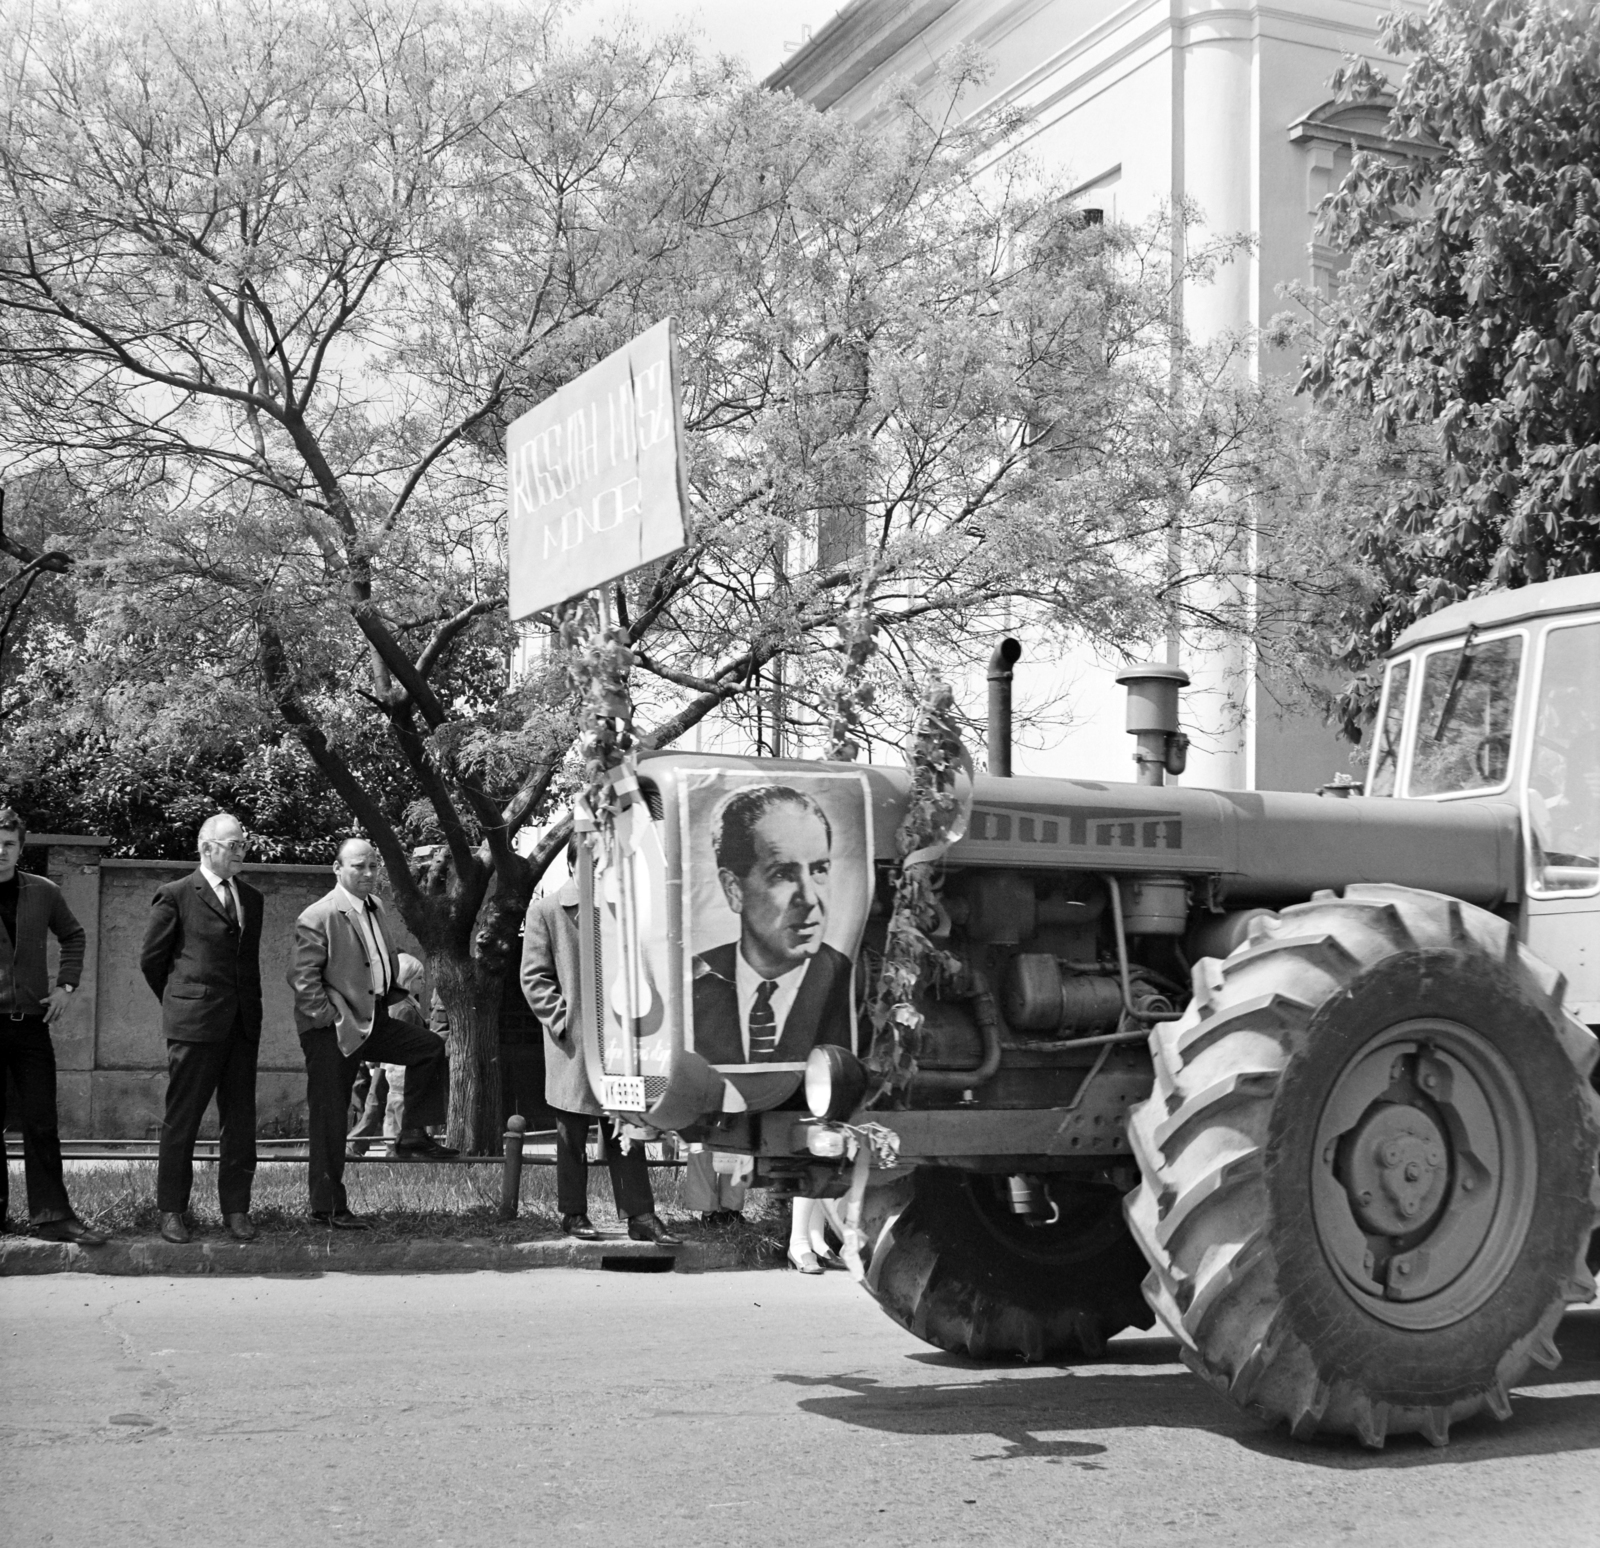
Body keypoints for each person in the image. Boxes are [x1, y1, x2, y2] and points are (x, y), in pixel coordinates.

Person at [520, 840, 681, 1245]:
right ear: (572, 865)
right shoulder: (547, 910)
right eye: (591, 864)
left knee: (625, 1129)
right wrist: (564, 1022)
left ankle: (640, 1216)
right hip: (574, 1046)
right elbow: (534, 978)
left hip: (620, 1042)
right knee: (570, 1133)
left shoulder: (625, 910)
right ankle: (573, 1214)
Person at [289, 838, 455, 1229]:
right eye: (358, 866)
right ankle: (327, 1208)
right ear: (337, 869)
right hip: (333, 1028)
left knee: (429, 1047)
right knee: (330, 1116)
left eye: (373, 867)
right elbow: (302, 978)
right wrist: (330, 1016)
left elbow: (381, 958)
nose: (367, 874)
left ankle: (412, 1133)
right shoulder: (319, 915)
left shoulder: (375, 907)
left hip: (374, 1017)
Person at [140, 811, 264, 1244]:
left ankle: (236, 1210)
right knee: (183, 1120)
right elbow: (152, 961)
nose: (240, 852)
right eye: (233, 845)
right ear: (206, 846)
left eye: (243, 844)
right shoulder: (175, 895)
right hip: (193, 1026)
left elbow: (245, 964)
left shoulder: (252, 897)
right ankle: (172, 1210)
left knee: (240, 1122)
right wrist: (183, 1004)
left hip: (241, 1025)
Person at [0, 806, 105, 1245]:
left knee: (42, 1121)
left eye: (8, 844)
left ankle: (53, 1217)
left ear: (21, 848)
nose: (0, 851)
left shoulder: (41, 891)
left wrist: (65, 986)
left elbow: (74, 935)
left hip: (29, 1026)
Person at [691, 786, 854, 1066]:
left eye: (819, 870)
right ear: (734, 890)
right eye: (783, 874)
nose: (810, 898)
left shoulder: (853, 986)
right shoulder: (693, 982)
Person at [346, 952, 427, 1158]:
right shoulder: (404, 1008)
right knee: (376, 1107)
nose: (424, 983)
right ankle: (356, 1146)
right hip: (391, 1066)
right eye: (419, 978)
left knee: (379, 1106)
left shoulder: (408, 1005)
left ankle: (359, 1146)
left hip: (388, 1065)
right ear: (407, 980)